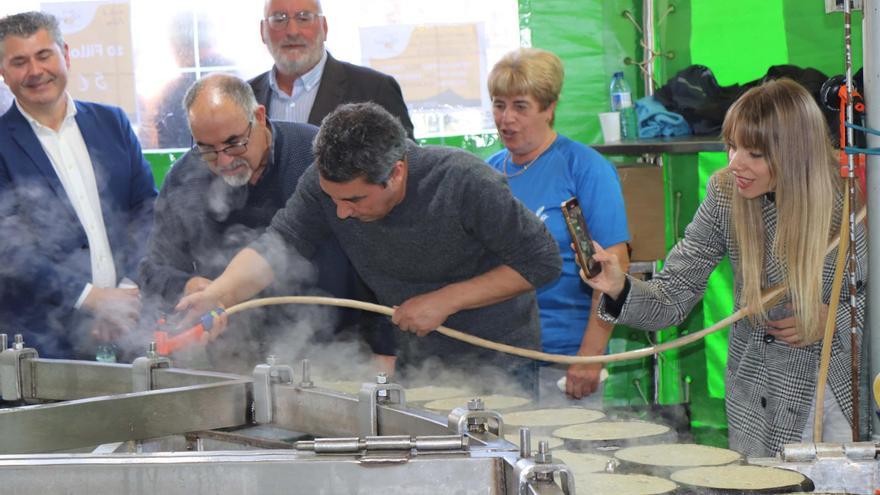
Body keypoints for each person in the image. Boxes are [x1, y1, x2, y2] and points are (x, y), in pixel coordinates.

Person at [176, 102, 562, 394]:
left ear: (396, 172)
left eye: (355, 200)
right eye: (334, 199)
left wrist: (447, 300)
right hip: (418, 356)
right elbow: (280, 243)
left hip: (498, 357)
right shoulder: (324, 185)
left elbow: (543, 262)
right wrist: (218, 294)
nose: (341, 213)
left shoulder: (464, 182)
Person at [585, 78, 867, 456]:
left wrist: (832, 321)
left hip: (838, 398)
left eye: (754, 153)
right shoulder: (724, 195)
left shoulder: (855, 196)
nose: (735, 164)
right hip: (758, 400)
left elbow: (871, 300)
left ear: (797, 153)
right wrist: (620, 287)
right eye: (732, 146)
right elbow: (672, 295)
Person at [139, 73, 393, 372]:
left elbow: (376, 255)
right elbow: (152, 271)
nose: (223, 161)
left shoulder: (314, 157)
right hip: (235, 356)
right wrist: (188, 285)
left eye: (234, 143)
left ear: (259, 116)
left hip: (337, 352)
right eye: (207, 148)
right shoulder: (185, 180)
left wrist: (385, 347)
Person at [0, 11, 157, 359]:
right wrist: (93, 299)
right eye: (19, 61)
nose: (36, 71)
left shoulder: (112, 123)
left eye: (44, 55)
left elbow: (146, 210)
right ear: (3, 72)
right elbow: (9, 251)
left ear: (65, 54)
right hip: (43, 346)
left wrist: (127, 293)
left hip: (128, 328)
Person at [486, 48, 630, 405]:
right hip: (498, 355)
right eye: (498, 104)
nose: (506, 119)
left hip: (564, 360)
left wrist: (590, 356)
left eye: (521, 106)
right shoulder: (486, 172)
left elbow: (613, 271)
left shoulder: (585, 169)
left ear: (549, 108)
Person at [250, 0, 415, 139]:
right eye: (279, 19)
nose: (292, 31)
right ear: (262, 31)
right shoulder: (245, 96)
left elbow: (409, 165)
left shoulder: (375, 89)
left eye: (304, 18)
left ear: (324, 27)